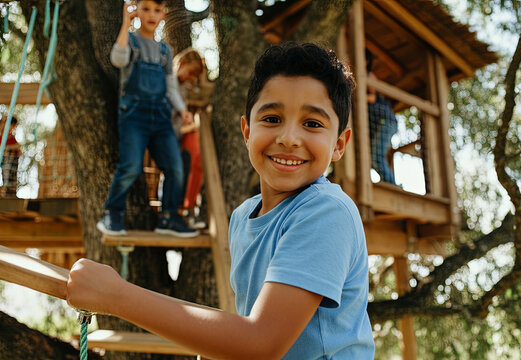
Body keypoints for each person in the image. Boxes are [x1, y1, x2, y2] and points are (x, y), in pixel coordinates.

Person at [67, 43, 375, 359]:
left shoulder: (326, 213)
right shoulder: (243, 217)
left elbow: (261, 343)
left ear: (339, 144)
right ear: (246, 131)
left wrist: (117, 296)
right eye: (271, 118)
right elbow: (248, 330)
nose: (288, 138)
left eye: (312, 123)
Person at [97, 0, 198, 237]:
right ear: (137, 11)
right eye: (146, 9)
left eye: (156, 10)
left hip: (161, 118)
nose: (151, 15)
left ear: (163, 14)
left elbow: (171, 85)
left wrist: (181, 109)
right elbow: (118, 60)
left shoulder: (165, 50)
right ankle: (112, 213)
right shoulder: (131, 41)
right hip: (134, 116)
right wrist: (125, 24)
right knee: (131, 166)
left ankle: (169, 217)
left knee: (175, 167)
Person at [172, 48, 206, 229]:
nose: (192, 78)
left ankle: (189, 206)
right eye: (191, 73)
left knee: (195, 158)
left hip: (179, 133)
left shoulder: (184, 87)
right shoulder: (167, 81)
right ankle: (174, 209)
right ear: (182, 64)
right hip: (165, 134)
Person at [366, 49, 398, 184]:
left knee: (376, 157)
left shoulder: (368, 76)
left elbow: (372, 97)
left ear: (366, 61)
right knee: (372, 156)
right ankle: (388, 183)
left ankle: (392, 186)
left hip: (385, 120)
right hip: (379, 123)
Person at [0, 116, 21, 196]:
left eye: (10, 124)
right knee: (7, 166)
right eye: (3, 123)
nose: (4, 125)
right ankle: (8, 189)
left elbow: (18, 154)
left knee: (11, 174)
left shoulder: (13, 141)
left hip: (11, 165)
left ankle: (11, 189)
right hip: (3, 162)